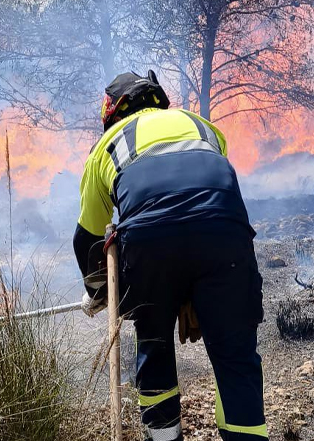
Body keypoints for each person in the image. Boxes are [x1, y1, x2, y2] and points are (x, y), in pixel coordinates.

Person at [73, 71, 266, 441]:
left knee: (154, 346)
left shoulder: (108, 146)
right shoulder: (202, 126)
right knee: (235, 356)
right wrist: (197, 288)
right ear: (158, 99)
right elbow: (205, 194)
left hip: (149, 245)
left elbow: (88, 238)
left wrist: (97, 289)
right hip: (226, 234)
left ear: (112, 113)